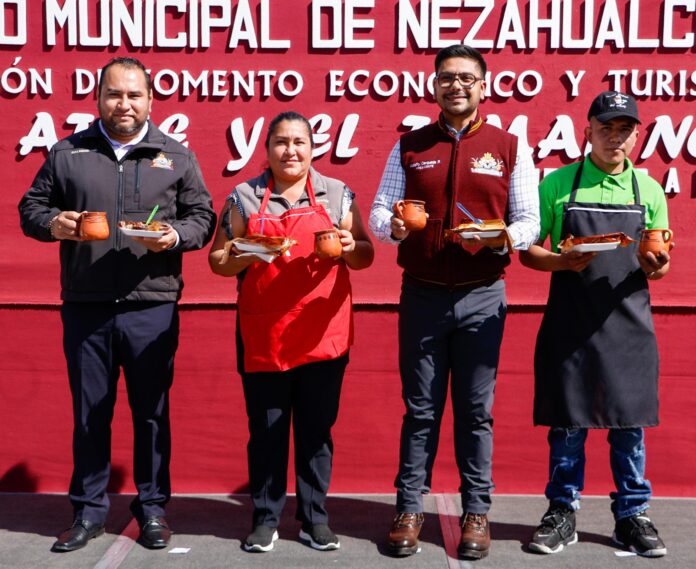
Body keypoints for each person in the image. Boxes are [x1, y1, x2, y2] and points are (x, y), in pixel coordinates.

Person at [18, 56, 215, 552]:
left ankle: (152, 510)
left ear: (150, 100)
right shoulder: (68, 153)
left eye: (133, 95)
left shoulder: (175, 155)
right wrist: (53, 224)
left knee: (151, 413)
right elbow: (31, 208)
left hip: (152, 305)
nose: (123, 104)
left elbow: (203, 217)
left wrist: (173, 235)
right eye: (114, 94)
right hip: (87, 305)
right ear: (98, 98)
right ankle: (88, 512)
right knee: (90, 414)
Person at [369, 45, 540, 560]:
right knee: (420, 410)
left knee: (475, 412)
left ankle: (476, 512)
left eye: (467, 78)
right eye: (447, 78)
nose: (456, 86)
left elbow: (529, 222)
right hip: (421, 294)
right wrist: (394, 228)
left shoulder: (509, 147)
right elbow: (379, 211)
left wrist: (500, 237)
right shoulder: (411, 145)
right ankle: (408, 509)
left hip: (483, 295)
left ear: (484, 86)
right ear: (435, 85)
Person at [208, 111, 374, 553]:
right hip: (265, 331)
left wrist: (349, 247)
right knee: (267, 431)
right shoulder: (243, 197)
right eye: (281, 142)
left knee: (316, 430)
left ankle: (314, 517)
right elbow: (218, 261)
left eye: (299, 142)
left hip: (323, 331)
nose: (290, 151)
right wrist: (247, 253)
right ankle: (265, 518)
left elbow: (365, 254)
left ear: (312, 149)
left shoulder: (337, 194)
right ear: (266, 150)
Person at [520, 91, 670, 558]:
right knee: (568, 425)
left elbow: (661, 263)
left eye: (624, 129)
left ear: (636, 136)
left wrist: (655, 264)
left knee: (629, 426)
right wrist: (560, 262)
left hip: (629, 327)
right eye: (606, 128)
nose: (615, 137)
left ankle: (632, 515)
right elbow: (528, 250)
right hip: (571, 324)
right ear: (587, 132)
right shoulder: (558, 184)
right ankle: (561, 512)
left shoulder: (649, 190)